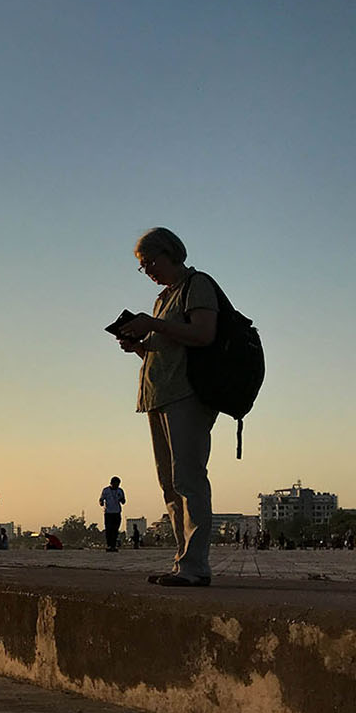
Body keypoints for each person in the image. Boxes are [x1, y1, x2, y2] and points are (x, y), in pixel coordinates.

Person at [117, 227, 219, 587]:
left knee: (189, 479)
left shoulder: (197, 285)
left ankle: (195, 566)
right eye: (142, 267)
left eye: (150, 262)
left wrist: (152, 324)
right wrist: (140, 345)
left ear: (170, 252)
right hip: (159, 396)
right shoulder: (163, 299)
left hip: (186, 395)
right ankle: (183, 561)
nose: (148, 271)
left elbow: (204, 334)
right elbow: (169, 352)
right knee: (170, 484)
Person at [99, 477, 126, 552]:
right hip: (108, 513)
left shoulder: (120, 491)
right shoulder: (106, 490)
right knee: (109, 530)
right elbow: (101, 499)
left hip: (117, 513)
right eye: (116, 484)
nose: (117, 485)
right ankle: (109, 545)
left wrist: (121, 499)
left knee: (115, 530)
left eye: (118, 484)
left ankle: (113, 546)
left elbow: (123, 501)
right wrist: (101, 503)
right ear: (111, 483)